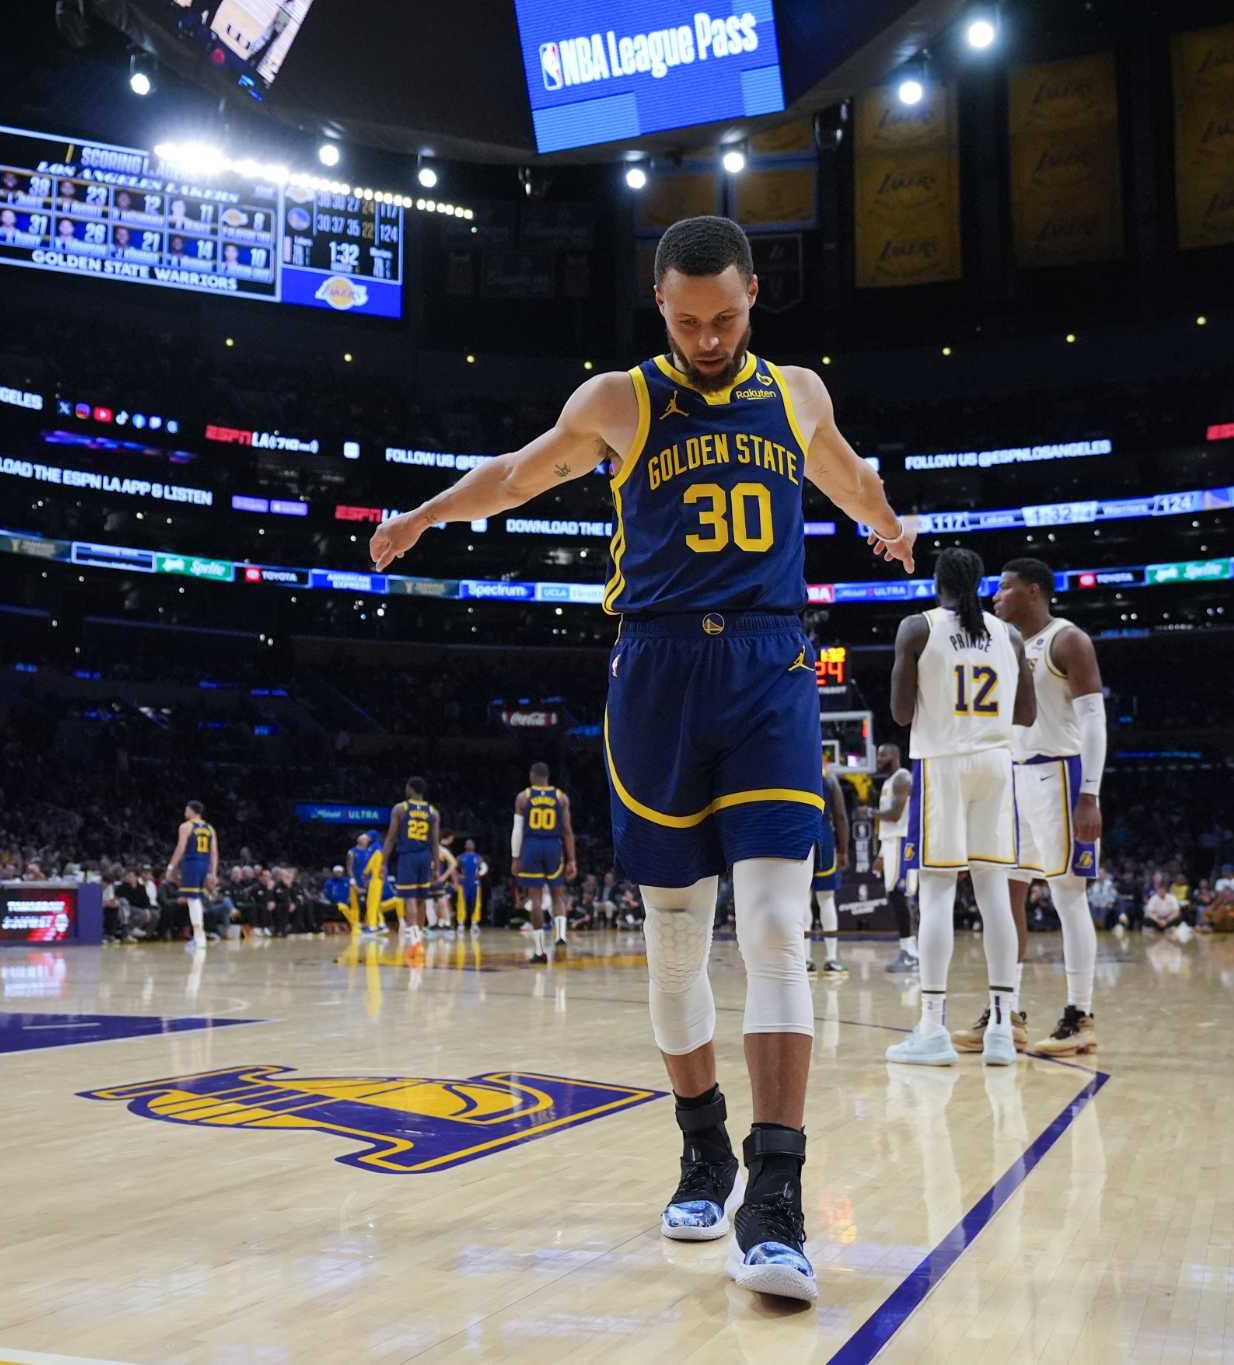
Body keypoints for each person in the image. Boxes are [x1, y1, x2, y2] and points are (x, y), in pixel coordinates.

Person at [365, 213, 916, 1304]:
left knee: (769, 926)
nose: (709, 337)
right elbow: (519, 475)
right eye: (688, 318)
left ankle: (775, 1193)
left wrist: (887, 525)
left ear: (753, 296)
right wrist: (425, 516)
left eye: (725, 317)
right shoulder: (618, 398)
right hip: (654, 677)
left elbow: (849, 479)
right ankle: (702, 1146)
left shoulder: (796, 393)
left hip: (767, 672)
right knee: (673, 944)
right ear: (658, 303)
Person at [884, 548, 1036, 1069]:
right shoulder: (1009, 635)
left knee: (938, 894)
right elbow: (1028, 711)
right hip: (997, 762)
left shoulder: (917, 629)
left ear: (937, 582)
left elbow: (901, 714)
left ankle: (931, 1027)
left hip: (944, 764)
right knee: (995, 895)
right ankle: (1000, 1026)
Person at [981, 556, 1107, 1059]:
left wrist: (1090, 794)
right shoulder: (1006, 644)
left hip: (1060, 773)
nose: (996, 597)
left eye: (1006, 589)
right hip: (1013, 778)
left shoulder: (1067, 640)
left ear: (1033, 591)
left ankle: (1079, 1013)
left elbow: (1094, 722)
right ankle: (1005, 1012)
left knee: (1068, 896)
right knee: (1009, 895)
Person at [513, 763, 575, 963]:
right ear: (547, 777)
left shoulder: (524, 797)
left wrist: (515, 857)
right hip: (553, 846)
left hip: (532, 847)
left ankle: (539, 951)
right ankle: (561, 936)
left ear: (532, 776)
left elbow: (517, 831)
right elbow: (567, 830)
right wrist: (572, 859)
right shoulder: (560, 797)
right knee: (558, 896)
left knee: (536, 899)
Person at [873, 742, 917, 971]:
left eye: (883, 754)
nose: (878, 758)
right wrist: (881, 853)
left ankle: (911, 952)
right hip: (890, 844)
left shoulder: (902, 778)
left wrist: (870, 813)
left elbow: (895, 815)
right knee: (895, 896)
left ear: (895, 755)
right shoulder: (889, 782)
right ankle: (908, 949)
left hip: (901, 842)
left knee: (901, 896)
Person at [384, 779, 441, 949]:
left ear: (410, 789)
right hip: (425, 856)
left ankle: (414, 936)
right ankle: (420, 935)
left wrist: (382, 861)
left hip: (408, 856)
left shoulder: (401, 808)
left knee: (409, 897)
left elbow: (391, 838)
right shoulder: (433, 812)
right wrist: (436, 866)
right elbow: (435, 843)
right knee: (422, 898)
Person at [806, 754, 848, 977]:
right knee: (826, 898)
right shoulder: (830, 779)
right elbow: (840, 816)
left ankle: (805, 960)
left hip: (801, 835)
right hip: (824, 836)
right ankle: (831, 959)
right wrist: (843, 850)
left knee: (803, 898)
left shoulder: (796, 773)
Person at [164, 800, 219, 949]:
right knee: (195, 899)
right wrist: (213, 872)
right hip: (204, 864)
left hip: (192, 863)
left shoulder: (186, 826)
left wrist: (171, 866)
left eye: (186, 809)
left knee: (192, 900)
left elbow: (181, 847)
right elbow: (214, 853)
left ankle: (199, 938)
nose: (185, 812)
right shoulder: (210, 828)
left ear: (191, 811)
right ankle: (199, 936)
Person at [455, 837, 486, 933]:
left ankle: (474, 924)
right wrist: (458, 875)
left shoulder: (478, 857)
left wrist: (480, 874)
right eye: (468, 843)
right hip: (463, 884)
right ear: (465, 846)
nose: (469, 845)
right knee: (461, 903)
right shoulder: (460, 857)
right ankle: (460, 924)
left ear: (474, 846)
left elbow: (485, 868)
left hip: (475, 884)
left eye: (471, 843)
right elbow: (453, 867)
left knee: (476, 904)